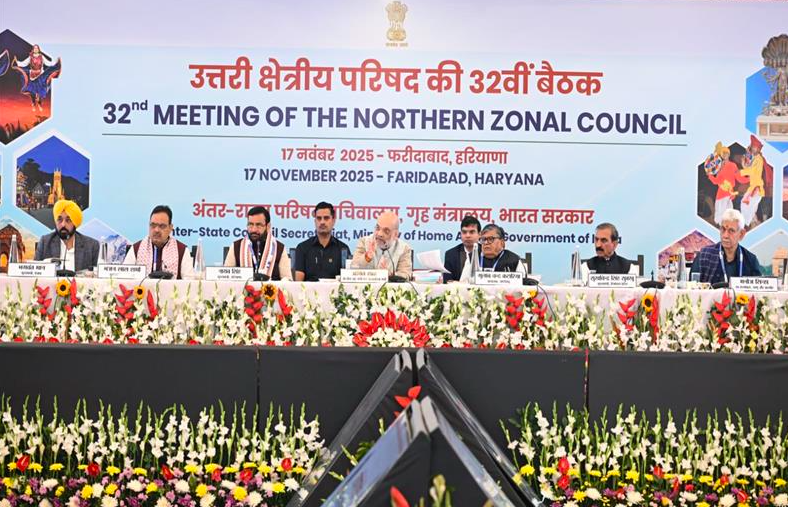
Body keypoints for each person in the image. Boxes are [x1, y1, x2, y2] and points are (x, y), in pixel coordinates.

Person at [690, 208, 761, 285]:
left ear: (741, 234)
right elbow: (692, 287)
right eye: (723, 229)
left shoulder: (751, 261)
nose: (725, 235)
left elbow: (758, 290)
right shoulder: (704, 256)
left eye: (731, 231)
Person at [123, 205, 195, 279]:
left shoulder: (182, 250)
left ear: (170, 228)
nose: (156, 230)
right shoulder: (136, 249)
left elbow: (190, 281)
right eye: (153, 225)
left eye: (162, 226)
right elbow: (124, 278)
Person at [224, 206, 291, 280]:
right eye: (250, 224)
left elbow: (287, 279)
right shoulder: (236, 246)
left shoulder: (279, 248)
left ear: (268, 226)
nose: (254, 229)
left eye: (258, 225)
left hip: (271, 287)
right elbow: (225, 278)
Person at [34, 199, 99, 273]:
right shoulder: (45, 242)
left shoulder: (91, 246)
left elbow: (96, 275)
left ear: (74, 223)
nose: (63, 224)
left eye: (68, 220)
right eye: (60, 220)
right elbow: (36, 273)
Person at [294, 202, 350, 282]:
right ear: (315, 221)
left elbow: (346, 282)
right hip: (308, 290)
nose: (322, 222)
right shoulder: (302, 248)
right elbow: (298, 283)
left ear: (333, 221)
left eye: (326, 218)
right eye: (319, 218)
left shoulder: (343, 249)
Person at [351, 211, 412, 280]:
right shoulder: (364, 242)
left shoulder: (404, 248)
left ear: (395, 235)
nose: (380, 234)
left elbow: (406, 274)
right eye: (377, 228)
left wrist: (390, 275)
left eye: (386, 231)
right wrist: (367, 257)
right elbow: (354, 267)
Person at [706, 142, 747, 225]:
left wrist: (750, 178)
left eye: (726, 153)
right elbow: (716, 181)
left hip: (728, 193)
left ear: (729, 154)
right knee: (720, 214)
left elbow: (739, 178)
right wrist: (709, 175)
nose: (725, 155)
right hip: (721, 193)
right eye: (723, 153)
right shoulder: (719, 167)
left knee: (729, 214)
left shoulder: (733, 165)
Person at [443, 215, 482, 283]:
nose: (467, 236)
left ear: (479, 234)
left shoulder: (486, 253)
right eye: (464, 232)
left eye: (472, 232)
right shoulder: (451, 254)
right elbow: (447, 281)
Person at [739, 135, 765, 227]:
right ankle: (753, 224)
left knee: (745, 204)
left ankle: (749, 224)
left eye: (755, 147)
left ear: (758, 149)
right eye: (753, 147)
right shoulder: (754, 158)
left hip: (756, 188)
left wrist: (740, 172)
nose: (754, 149)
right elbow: (749, 167)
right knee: (751, 208)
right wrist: (744, 164)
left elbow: (752, 171)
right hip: (754, 187)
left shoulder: (759, 159)